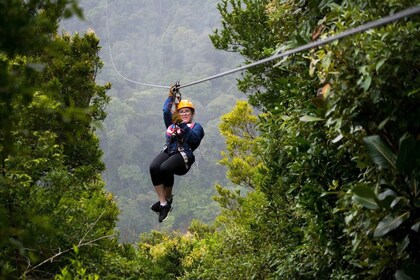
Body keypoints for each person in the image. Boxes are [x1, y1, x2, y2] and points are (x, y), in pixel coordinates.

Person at [149, 85, 205, 222]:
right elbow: (165, 111)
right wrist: (171, 96)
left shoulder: (196, 127)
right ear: (177, 114)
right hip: (169, 151)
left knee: (165, 168)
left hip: (183, 157)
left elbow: (193, 139)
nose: (184, 114)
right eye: (181, 112)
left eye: (187, 112)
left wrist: (182, 125)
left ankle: (168, 199)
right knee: (154, 167)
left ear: (192, 114)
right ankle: (163, 203)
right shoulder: (172, 125)